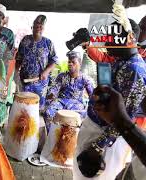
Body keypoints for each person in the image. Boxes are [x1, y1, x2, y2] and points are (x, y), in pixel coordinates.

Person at [73, 21, 146, 180]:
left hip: (104, 142)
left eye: (111, 37)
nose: (106, 42)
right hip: (95, 130)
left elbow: (124, 120)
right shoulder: (120, 59)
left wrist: (97, 147)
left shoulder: (135, 71)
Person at [16, 15, 58, 109]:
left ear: (43, 29)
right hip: (25, 81)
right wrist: (15, 74)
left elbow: (54, 60)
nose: (38, 28)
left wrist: (46, 71)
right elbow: (19, 58)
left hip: (40, 83)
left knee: (36, 108)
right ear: (32, 27)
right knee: (23, 107)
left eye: (41, 26)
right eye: (36, 25)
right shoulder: (25, 40)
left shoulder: (48, 43)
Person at [44, 51, 94, 122]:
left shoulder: (85, 78)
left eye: (73, 62)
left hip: (76, 104)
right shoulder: (61, 76)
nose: (70, 64)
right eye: (69, 62)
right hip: (61, 102)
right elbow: (55, 88)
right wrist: (52, 94)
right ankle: (52, 132)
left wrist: (92, 105)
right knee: (48, 113)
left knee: (77, 118)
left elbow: (92, 94)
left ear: (79, 63)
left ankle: (70, 133)